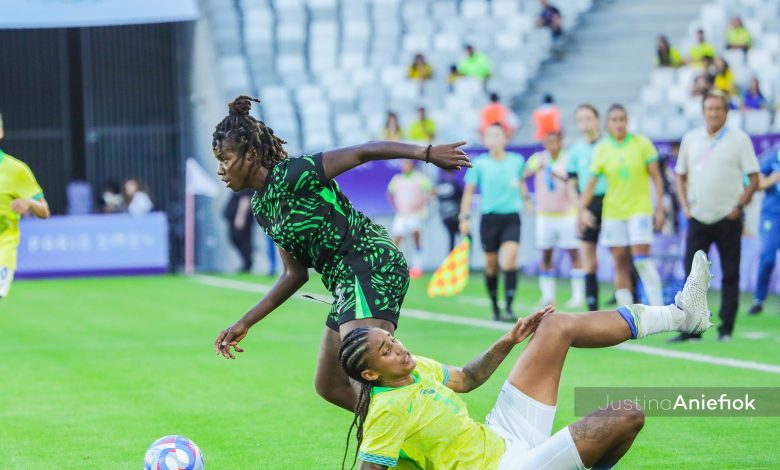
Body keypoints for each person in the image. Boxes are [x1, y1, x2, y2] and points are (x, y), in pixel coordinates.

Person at [340, 251, 714, 470]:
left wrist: (509, 339)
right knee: (627, 415)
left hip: (502, 433)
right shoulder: (385, 411)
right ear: (371, 373)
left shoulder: (414, 366)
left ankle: (682, 316)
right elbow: (371, 466)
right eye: (386, 351)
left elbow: (467, 378)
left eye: (392, 339)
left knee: (553, 327)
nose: (398, 348)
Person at [212, 96, 470, 412]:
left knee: (367, 376)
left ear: (250, 155)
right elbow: (294, 274)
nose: (220, 170)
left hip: (369, 262)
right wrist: (245, 322)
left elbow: (365, 151)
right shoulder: (262, 207)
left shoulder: (295, 173)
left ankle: (415, 436)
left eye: (224, 159)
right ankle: (424, 423)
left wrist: (427, 154)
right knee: (330, 385)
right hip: (346, 283)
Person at [672, 89, 760, 342]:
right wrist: (685, 207)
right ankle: (691, 329)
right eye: (709, 108)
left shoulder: (739, 139)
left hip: (728, 217)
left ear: (726, 112)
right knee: (692, 276)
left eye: (718, 108)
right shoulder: (691, 138)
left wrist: (739, 206)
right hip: (698, 216)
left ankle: (726, 329)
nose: (713, 113)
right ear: (703, 111)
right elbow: (680, 175)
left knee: (730, 273)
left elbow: (754, 178)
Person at [580, 104, 666, 308]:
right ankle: (627, 313)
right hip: (613, 212)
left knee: (642, 260)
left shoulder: (642, 143)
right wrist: (581, 210)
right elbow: (591, 183)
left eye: (622, 119)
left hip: (640, 210)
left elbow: (656, 176)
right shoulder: (602, 149)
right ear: (608, 124)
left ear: (627, 121)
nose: (618, 124)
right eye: (614, 120)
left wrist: (660, 206)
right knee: (620, 262)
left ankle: (658, 309)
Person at [460, 124, 531, 322]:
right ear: (485, 140)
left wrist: (526, 200)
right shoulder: (480, 164)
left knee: (510, 261)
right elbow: (468, 192)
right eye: (490, 135)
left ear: (505, 138)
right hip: (489, 220)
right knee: (491, 267)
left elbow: (521, 183)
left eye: (498, 135)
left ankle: (509, 307)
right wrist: (464, 218)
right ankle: (494, 306)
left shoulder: (516, 161)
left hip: (511, 217)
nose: (494, 139)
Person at [525, 132, 584, 307]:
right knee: (545, 254)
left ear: (560, 142)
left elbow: (575, 180)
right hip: (545, 216)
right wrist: (527, 200)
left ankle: (578, 295)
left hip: (567, 214)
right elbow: (523, 175)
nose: (551, 145)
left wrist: (559, 175)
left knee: (574, 253)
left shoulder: (568, 159)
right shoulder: (538, 159)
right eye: (547, 141)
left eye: (554, 141)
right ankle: (548, 296)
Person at [0, 115, 51, 299]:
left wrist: (29, 203)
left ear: (1, 132)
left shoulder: (16, 170)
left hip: (3, 248)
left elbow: (44, 211)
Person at [567, 104, 606, 311]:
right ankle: (593, 311)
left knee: (622, 257)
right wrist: (581, 210)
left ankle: (632, 308)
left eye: (589, 118)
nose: (585, 123)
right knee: (588, 260)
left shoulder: (609, 145)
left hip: (612, 203)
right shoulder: (575, 151)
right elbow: (571, 184)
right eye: (580, 119)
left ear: (597, 119)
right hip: (587, 205)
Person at [387, 160, 433, 279]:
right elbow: (389, 193)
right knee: (396, 239)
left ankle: (417, 267)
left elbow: (432, 192)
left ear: (412, 166)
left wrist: (422, 203)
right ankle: (393, 265)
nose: (405, 167)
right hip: (401, 215)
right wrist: (396, 206)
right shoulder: (397, 179)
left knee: (416, 239)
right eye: (403, 165)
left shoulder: (420, 178)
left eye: (407, 164)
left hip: (415, 214)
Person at [748, 149, 780, 315]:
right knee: (768, 258)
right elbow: (756, 184)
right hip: (772, 215)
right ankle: (759, 300)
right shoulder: (771, 159)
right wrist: (771, 180)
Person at [224, 188, 255, 273]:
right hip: (235, 220)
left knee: (243, 241)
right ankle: (246, 263)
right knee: (235, 239)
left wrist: (240, 217)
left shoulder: (244, 186)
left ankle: (247, 264)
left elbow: (245, 200)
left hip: (241, 221)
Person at [435, 169, 464, 252]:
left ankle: (453, 260)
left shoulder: (439, 184)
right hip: (454, 215)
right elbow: (461, 199)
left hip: (445, 216)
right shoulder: (454, 183)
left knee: (452, 238)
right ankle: (461, 260)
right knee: (466, 236)